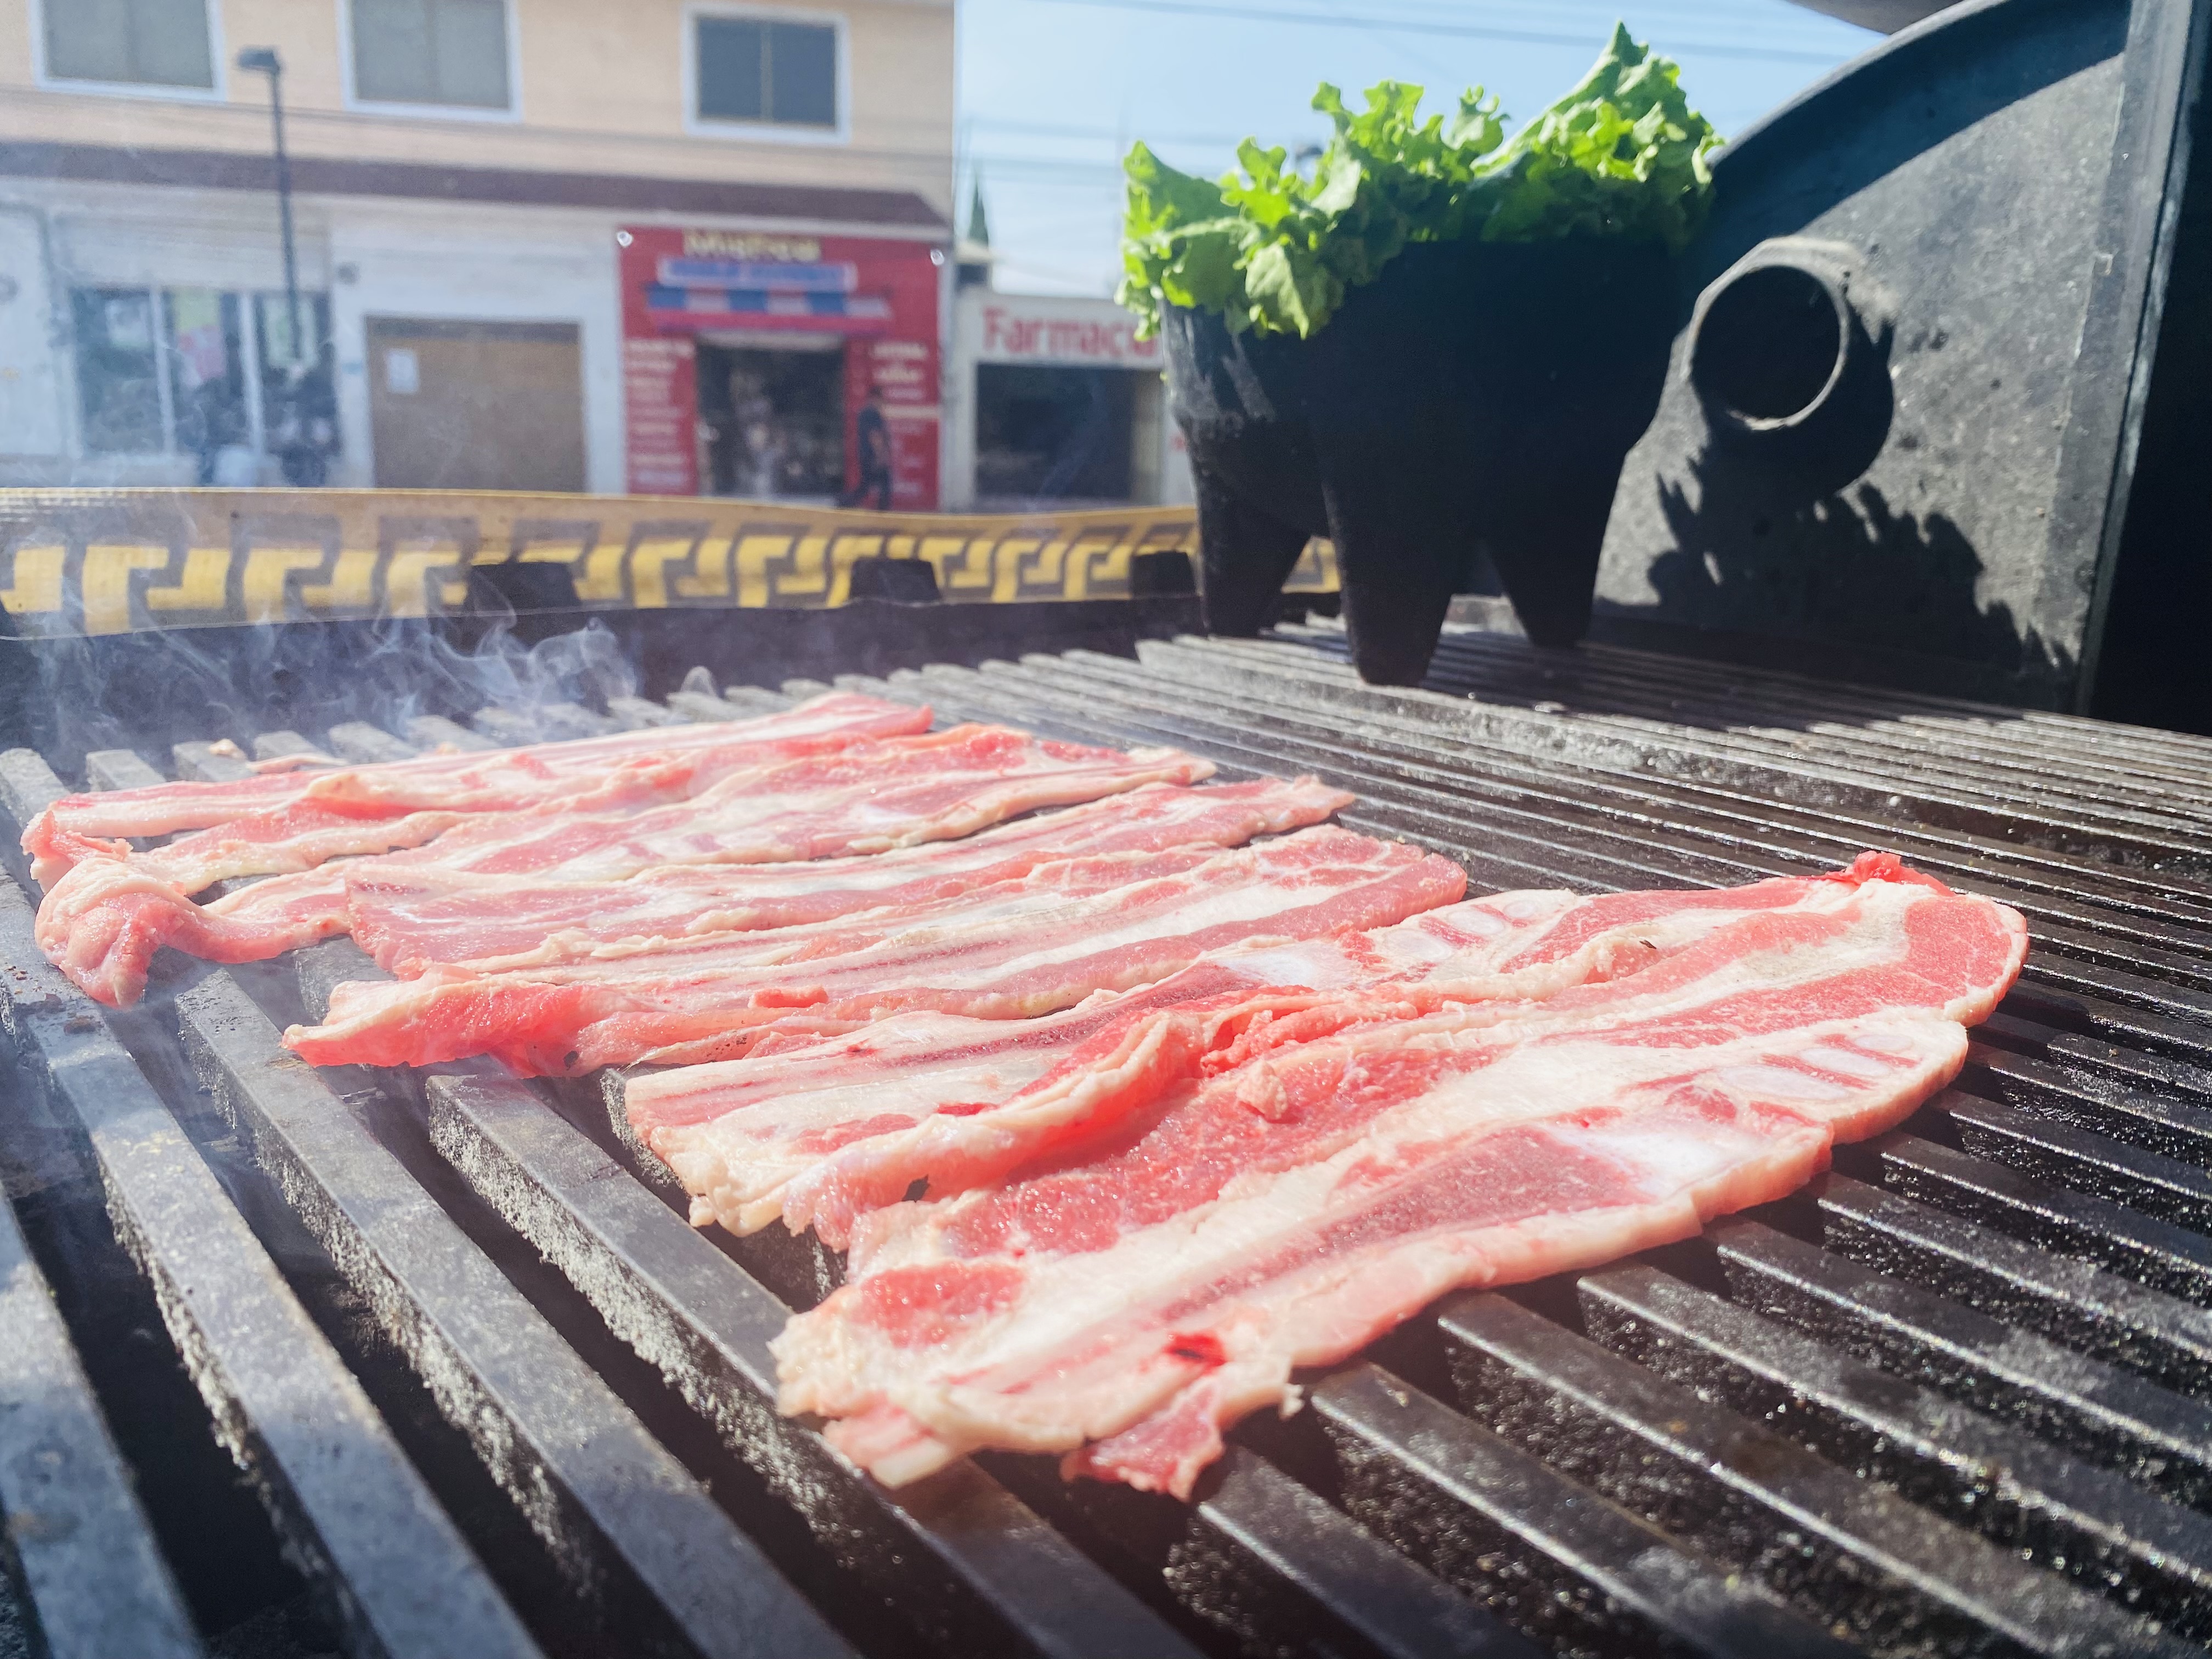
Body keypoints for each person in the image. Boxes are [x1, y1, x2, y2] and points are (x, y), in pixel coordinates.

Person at [840, 384, 893, 510]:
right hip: (873, 456)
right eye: (882, 399)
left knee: (866, 485)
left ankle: (845, 504)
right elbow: (875, 435)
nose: (883, 402)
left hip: (866, 454)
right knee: (884, 484)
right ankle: (883, 514)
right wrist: (881, 456)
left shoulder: (865, 413)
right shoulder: (873, 413)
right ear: (875, 398)